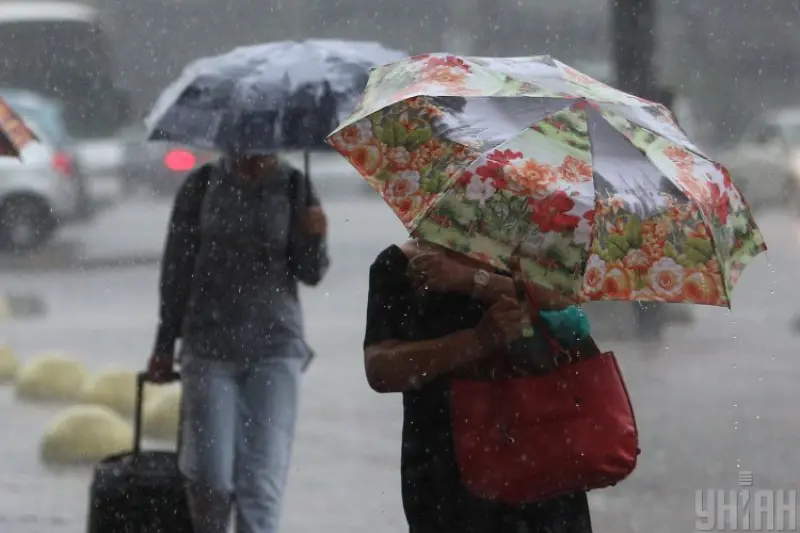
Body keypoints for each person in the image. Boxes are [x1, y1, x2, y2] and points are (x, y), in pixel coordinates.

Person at [146, 142, 329, 533]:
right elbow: (177, 267)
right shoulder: (201, 185)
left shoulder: (295, 185)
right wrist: (164, 344)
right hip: (208, 347)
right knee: (209, 479)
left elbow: (310, 273)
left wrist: (314, 236)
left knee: (261, 484)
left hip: (276, 348)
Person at [363, 239, 593, 533]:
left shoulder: (533, 254)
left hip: (544, 463)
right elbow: (380, 370)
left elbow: (567, 305)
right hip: (446, 472)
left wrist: (473, 280)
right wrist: (477, 340)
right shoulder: (403, 266)